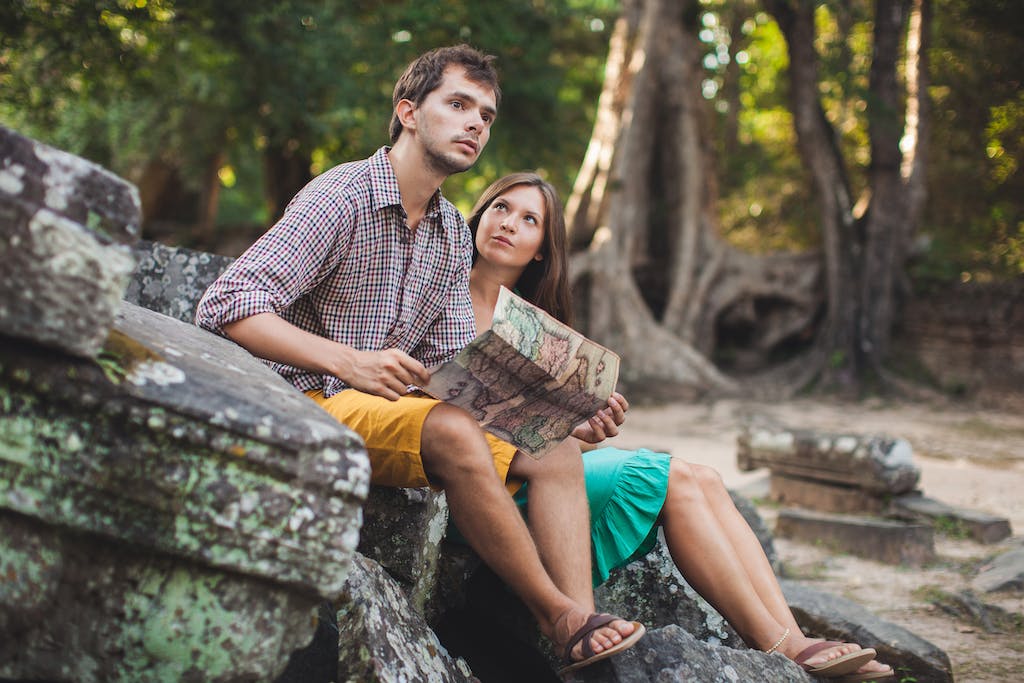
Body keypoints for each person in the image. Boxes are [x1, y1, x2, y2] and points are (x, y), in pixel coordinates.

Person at [195, 45, 644, 675]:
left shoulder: (449, 236)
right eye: (458, 105)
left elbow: (451, 370)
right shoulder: (342, 196)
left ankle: (582, 626)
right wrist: (349, 363)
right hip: (307, 400)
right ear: (408, 112)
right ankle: (558, 617)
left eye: (485, 116)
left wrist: (561, 413)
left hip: (387, 410)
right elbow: (228, 301)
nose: (475, 125)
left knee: (556, 452)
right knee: (454, 431)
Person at [462, 172, 895, 682]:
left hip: (540, 471)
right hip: (482, 480)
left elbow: (541, 437)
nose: (509, 224)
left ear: (541, 249)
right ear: (479, 215)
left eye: (529, 219)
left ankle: (791, 638)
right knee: (673, 478)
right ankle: (782, 647)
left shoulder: (536, 325)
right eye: (501, 209)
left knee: (704, 477)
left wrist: (581, 429)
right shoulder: (444, 298)